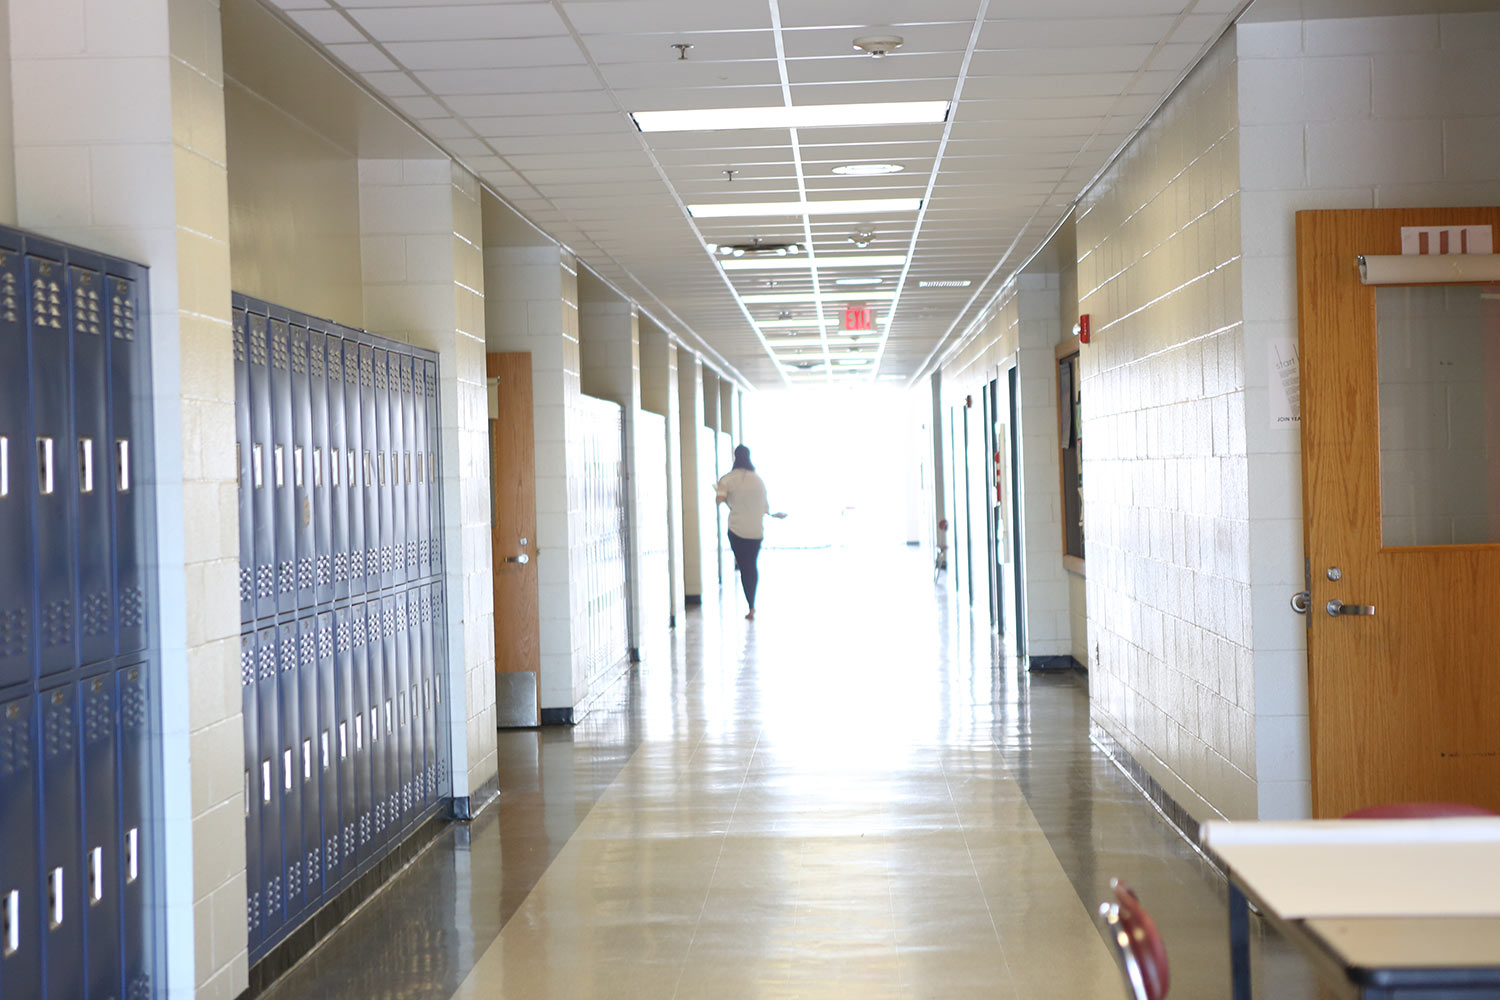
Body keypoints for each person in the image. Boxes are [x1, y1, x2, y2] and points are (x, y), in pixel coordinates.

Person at [715, 445, 786, 620]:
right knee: (751, 566)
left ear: (735, 457)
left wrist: (726, 497)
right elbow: (765, 509)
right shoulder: (758, 480)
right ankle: (751, 605)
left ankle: (751, 605)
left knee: (744, 565)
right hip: (756, 531)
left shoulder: (727, 479)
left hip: (736, 530)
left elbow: (719, 499)